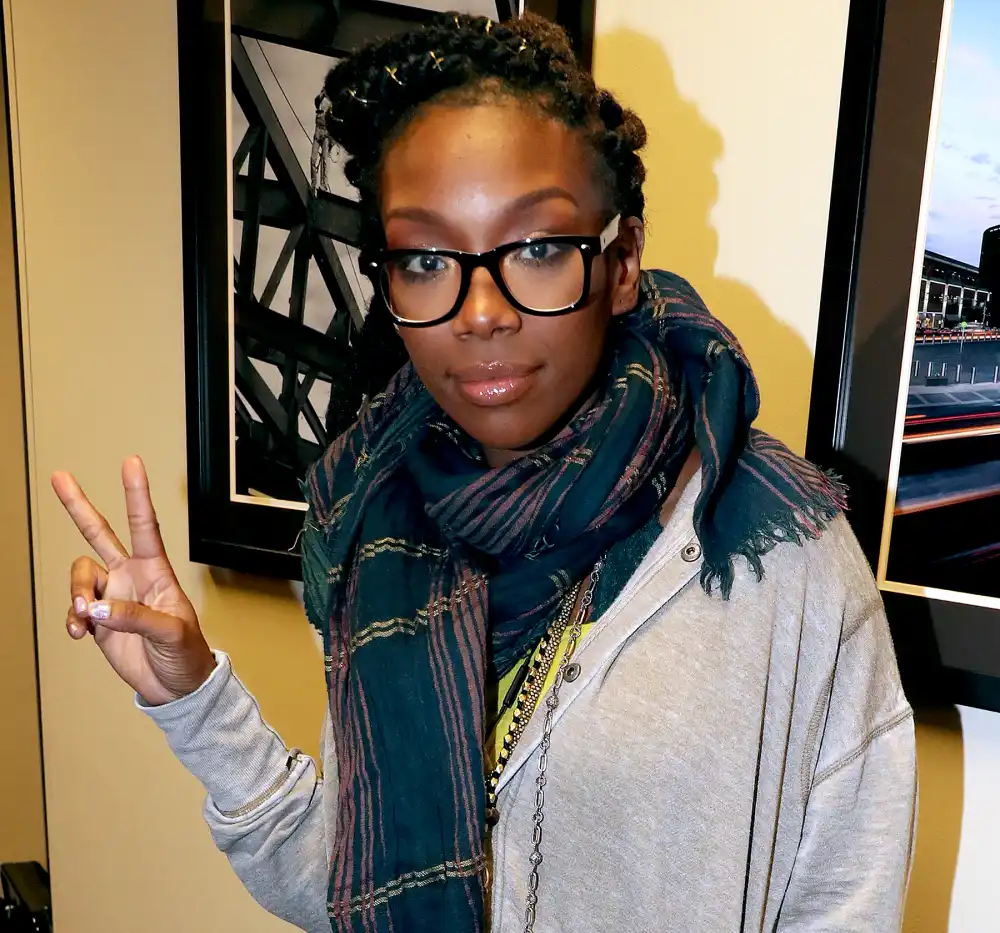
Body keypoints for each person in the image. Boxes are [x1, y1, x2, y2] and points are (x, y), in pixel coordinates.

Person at [51, 12, 916, 933]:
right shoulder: (372, 527)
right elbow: (343, 881)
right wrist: (194, 699)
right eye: (427, 260)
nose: (481, 310)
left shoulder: (777, 553)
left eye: (538, 248)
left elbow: (845, 904)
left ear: (620, 262)